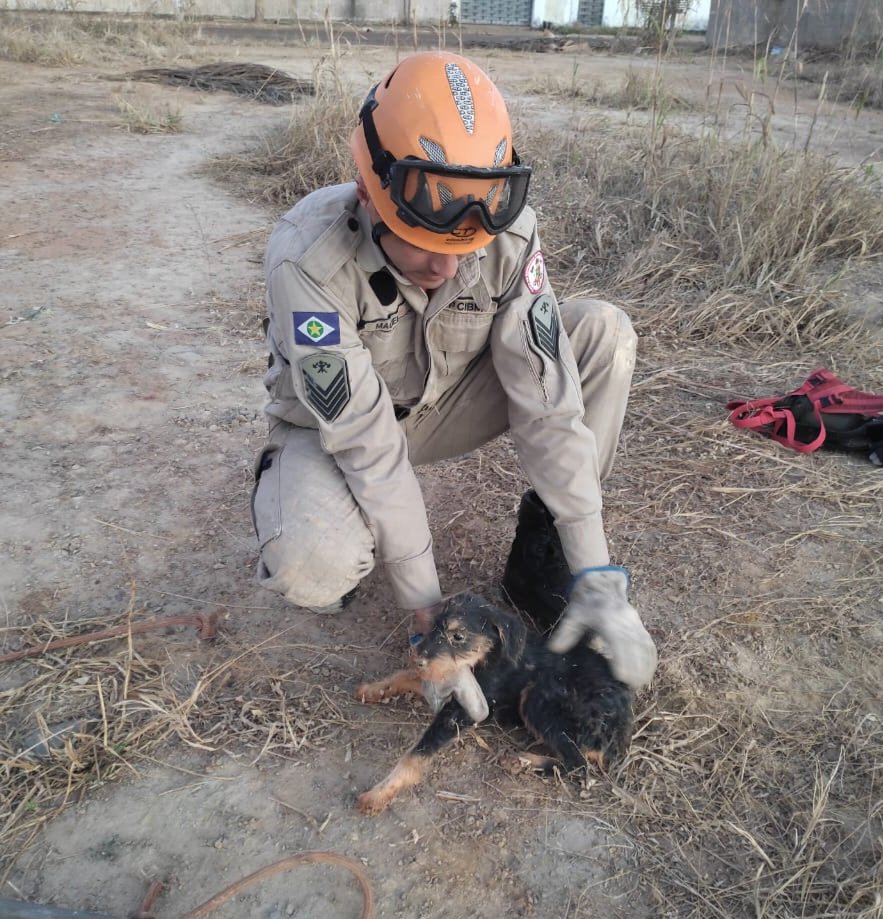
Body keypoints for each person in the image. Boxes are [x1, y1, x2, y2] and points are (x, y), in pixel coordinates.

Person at [251, 50, 657, 699]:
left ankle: (541, 553)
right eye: (426, 245)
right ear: (368, 194)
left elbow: (547, 401)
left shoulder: (508, 230)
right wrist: (429, 617)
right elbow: (368, 443)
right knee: (312, 566)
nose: (447, 269)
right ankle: (286, 490)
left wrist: (596, 571)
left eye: (464, 249)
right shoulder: (308, 261)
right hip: (340, 427)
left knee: (602, 335)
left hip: (448, 400)